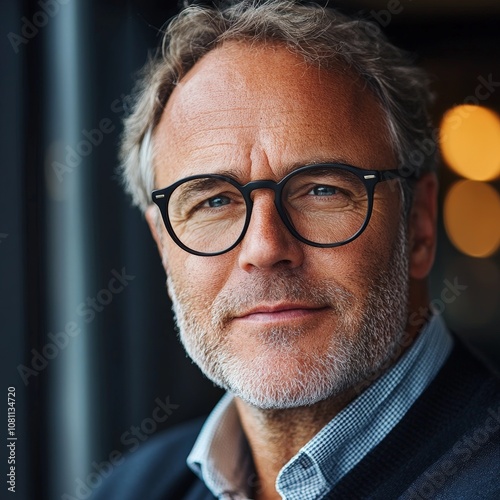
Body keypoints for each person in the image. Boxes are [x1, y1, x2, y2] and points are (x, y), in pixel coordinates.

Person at [93, 1, 500, 498]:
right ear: (162, 244)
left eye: (322, 190)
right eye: (214, 201)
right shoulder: (128, 489)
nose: (265, 248)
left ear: (418, 226)